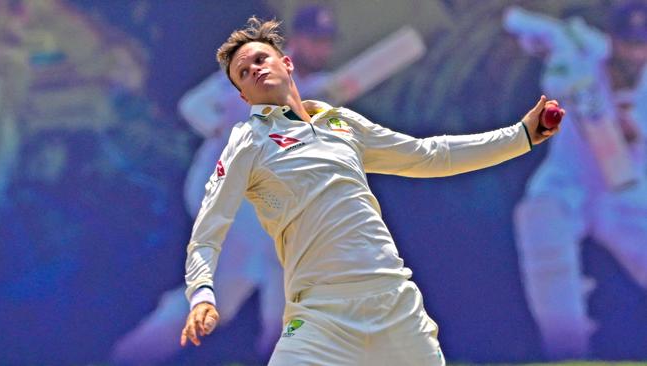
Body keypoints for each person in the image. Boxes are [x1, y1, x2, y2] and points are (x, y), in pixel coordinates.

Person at [179, 15, 561, 365]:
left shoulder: (340, 122)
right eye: (243, 73)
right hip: (318, 316)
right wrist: (201, 295)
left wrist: (521, 136)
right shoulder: (246, 142)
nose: (255, 70)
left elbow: (429, 155)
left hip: (393, 303)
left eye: (261, 59)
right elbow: (207, 232)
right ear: (243, 97)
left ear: (287, 63)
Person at [111, 5, 337, 363]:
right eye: (315, 41)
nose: (321, 49)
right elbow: (193, 105)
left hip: (258, 202)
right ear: (298, 39)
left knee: (241, 297)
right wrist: (222, 127)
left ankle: (130, 354)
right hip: (224, 196)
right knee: (260, 272)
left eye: (326, 42)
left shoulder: (315, 88)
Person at [505, 2, 647, 360]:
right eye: (628, 43)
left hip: (626, 193)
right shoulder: (582, 50)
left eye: (643, 44)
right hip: (569, 181)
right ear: (613, 38)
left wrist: (635, 129)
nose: (635, 53)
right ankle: (567, 353)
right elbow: (521, 23)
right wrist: (547, 48)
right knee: (540, 220)